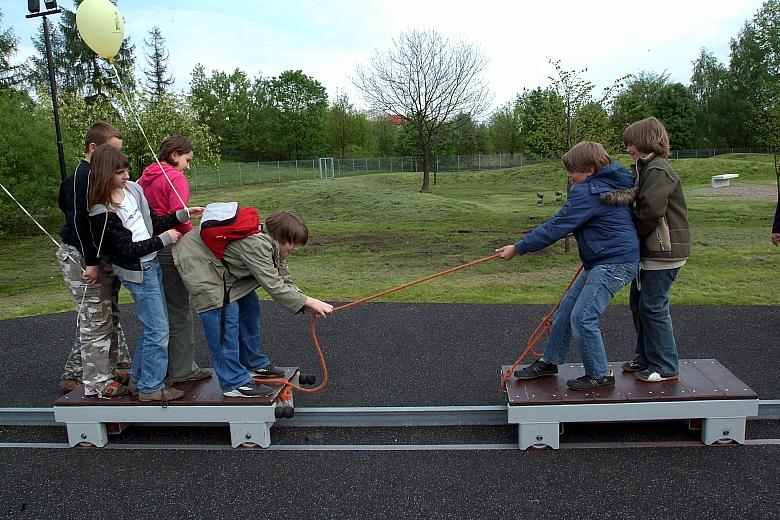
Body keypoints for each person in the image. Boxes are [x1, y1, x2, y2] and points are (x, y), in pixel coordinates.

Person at [497, 141, 639, 390]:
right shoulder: (603, 185)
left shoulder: (588, 192)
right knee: (565, 311)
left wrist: (518, 247)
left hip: (615, 262)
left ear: (591, 170)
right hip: (603, 260)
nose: (569, 175)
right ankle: (550, 361)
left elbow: (556, 226)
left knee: (583, 317)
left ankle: (600, 374)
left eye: (573, 171)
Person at [173, 208, 333, 397]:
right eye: (293, 243)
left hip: (220, 267)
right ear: (281, 237)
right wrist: (307, 301)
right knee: (225, 318)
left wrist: (306, 303)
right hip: (197, 261)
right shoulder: (258, 245)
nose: (295, 248)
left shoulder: (273, 245)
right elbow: (273, 285)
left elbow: (283, 279)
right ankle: (233, 382)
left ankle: (252, 363)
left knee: (250, 306)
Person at [87, 143, 204, 401]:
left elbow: (153, 223)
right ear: (106, 174)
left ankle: (139, 379)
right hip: (138, 271)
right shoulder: (101, 212)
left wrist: (181, 214)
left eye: (126, 171)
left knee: (154, 327)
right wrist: (164, 240)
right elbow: (126, 250)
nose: (126, 177)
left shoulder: (133, 190)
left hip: (152, 265)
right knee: (158, 330)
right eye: (119, 173)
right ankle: (151, 388)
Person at [56, 122, 132, 396]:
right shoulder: (81, 176)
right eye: (113, 153)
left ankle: (109, 372)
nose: (117, 161)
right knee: (94, 319)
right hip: (82, 257)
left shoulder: (96, 175)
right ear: (94, 148)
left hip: (99, 256)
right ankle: (97, 383)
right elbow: (78, 220)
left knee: (108, 314)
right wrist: (90, 260)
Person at [137, 135, 212, 385]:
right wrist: (195, 240)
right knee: (179, 310)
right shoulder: (175, 178)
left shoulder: (143, 178)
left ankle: (161, 367)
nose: (188, 166)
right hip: (169, 247)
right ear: (174, 155)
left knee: (160, 313)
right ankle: (182, 369)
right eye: (187, 160)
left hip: (148, 248)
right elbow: (179, 215)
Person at [622, 117, 690, 382]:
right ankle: (646, 357)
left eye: (630, 143)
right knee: (638, 304)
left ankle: (665, 365)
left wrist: (630, 235)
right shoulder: (644, 167)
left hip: (663, 251)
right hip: (651, 251)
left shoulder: (657, 170)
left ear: (643, 142)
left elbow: (651, 210)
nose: (627, 148)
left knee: (653, 307)